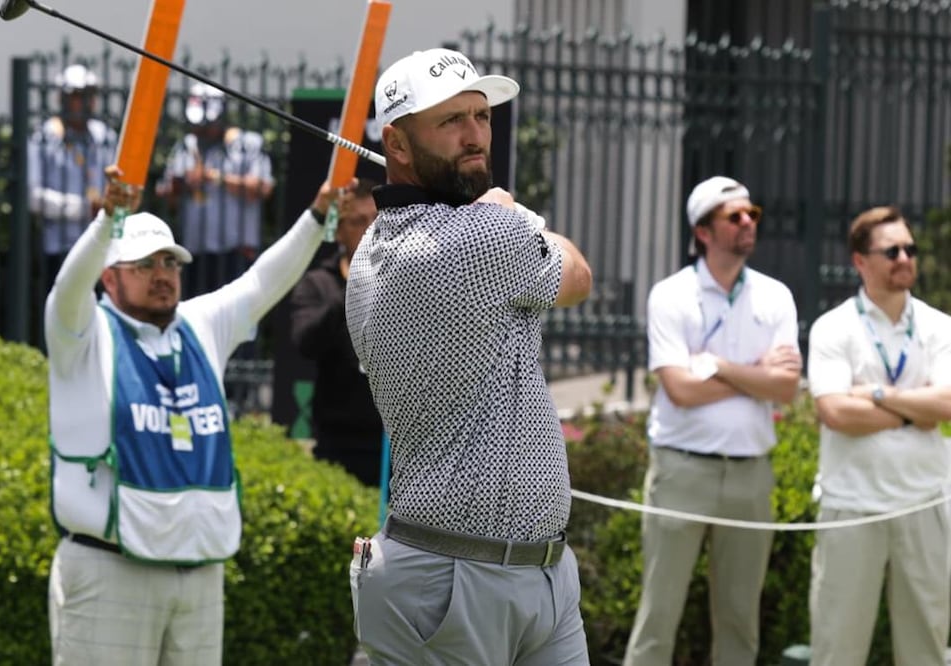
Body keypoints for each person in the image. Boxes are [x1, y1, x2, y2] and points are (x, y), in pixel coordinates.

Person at [344, 48, 594, 665]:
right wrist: (519, 215)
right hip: (451, 579)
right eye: (451, 121)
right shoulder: (480, 236)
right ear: (396, 143)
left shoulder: (371, 248)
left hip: (539, 571)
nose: (475, 136)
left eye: (481, 116)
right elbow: (579, 275)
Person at [44, 163, 337, 665]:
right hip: (110, 569)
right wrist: (105, 222)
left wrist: (317, 216)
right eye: (144, 265)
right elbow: (67, 291)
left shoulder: (200, 325)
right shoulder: (81, 333)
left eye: (170, 262)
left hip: (200, 573)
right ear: (109, 277)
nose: (162, 275)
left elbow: (263, 280)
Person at [624, 176, 802, 666]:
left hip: (751, 474)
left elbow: (786, 388)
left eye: (752, 214)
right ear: (703, 232)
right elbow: (679, 390)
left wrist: (717, 366)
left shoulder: (776, 296)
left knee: (740, 623)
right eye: (734, 216)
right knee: (659, 617)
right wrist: (756, 375)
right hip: (682, 471)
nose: (748, 222)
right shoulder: (670, 294)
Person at [805, 206, 951, 666]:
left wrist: (877, 394)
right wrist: (914, 410)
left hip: (924, 504)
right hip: (851, 508)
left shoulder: (939, 327)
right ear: (860, 261)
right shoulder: (834, 327)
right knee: (837, 651)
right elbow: (834, 411)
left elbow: (947, 405)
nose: (905, 258)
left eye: (909, 248)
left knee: (926, 651)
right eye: (891, 251)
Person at [288, 177, 385, 487]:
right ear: (339, 231)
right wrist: (354, 286)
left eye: (377, 220)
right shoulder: (319, 284)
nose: (371, 231)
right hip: (338, 441)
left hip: (395, 442)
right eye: (358, 222)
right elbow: (305, 342)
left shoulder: (407, 281)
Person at [159, 82, 275, 297]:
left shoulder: (248, 144)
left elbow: (262, 188)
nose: (200, 130)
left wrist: (213, 177)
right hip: (195, 254)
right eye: (197, 124)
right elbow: (168, 198)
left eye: (206, 124)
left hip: (237, 252)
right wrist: (181, 186)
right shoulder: (186, 145)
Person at [28, 63, 117, 289]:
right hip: (60, 247)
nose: (86, 102)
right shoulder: (45, 136)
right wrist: (83, 208)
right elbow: (33, 197)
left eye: (90, 95)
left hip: (102, 246)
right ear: (62, 98)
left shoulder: (104, 135)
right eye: (78, 95)